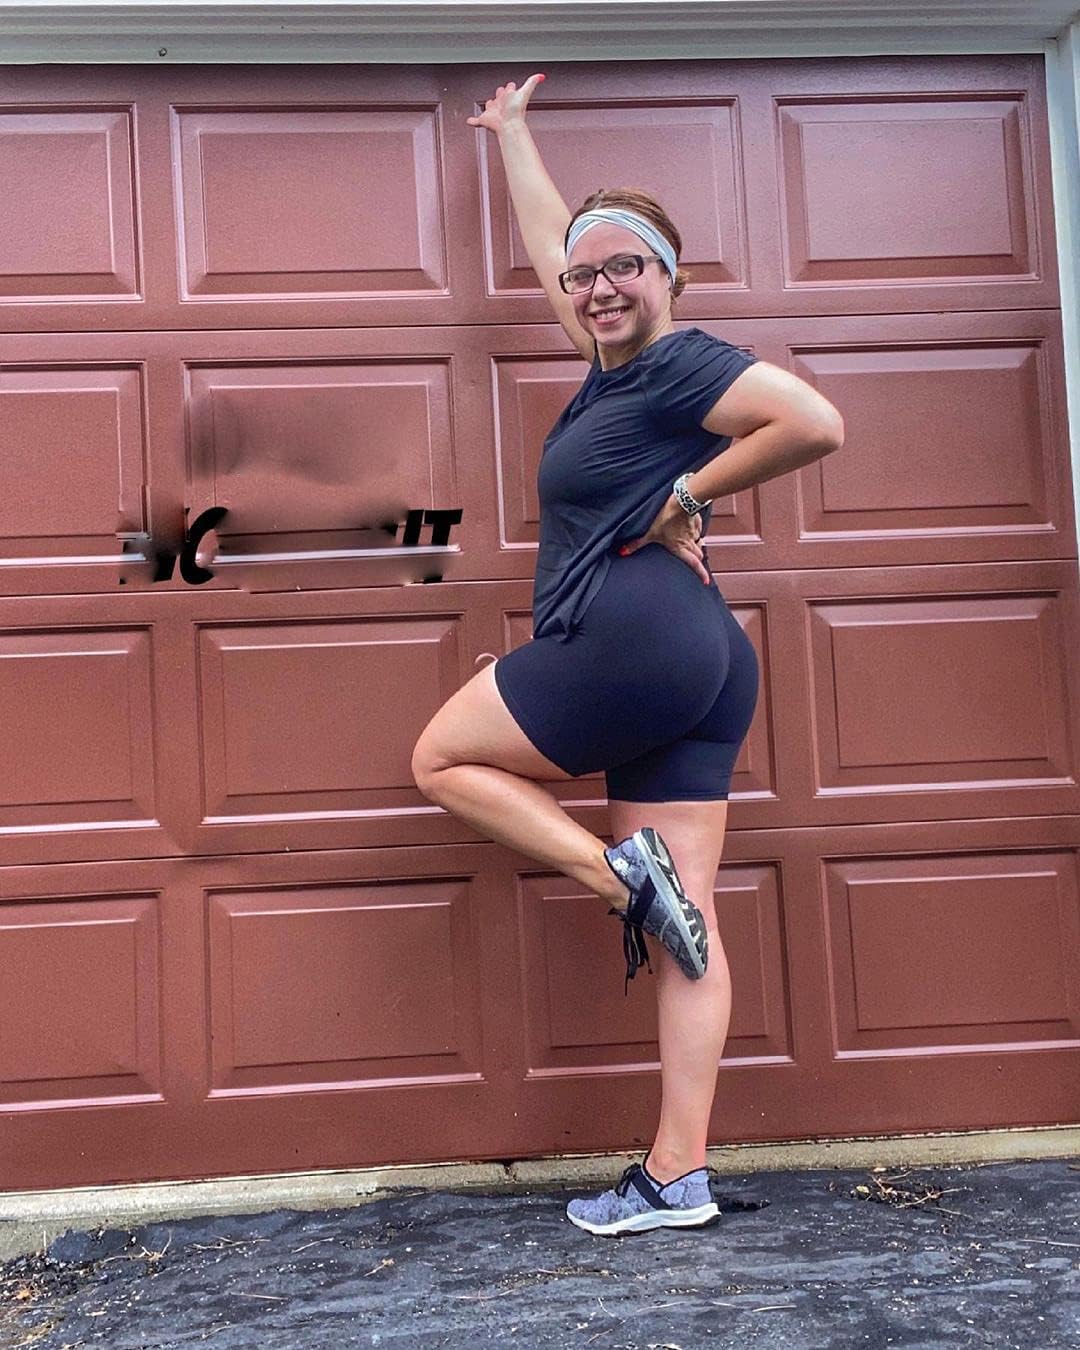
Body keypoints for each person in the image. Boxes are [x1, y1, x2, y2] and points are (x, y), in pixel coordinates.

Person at [411, 74, 844, 1237]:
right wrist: (514, 137)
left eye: (626, 268)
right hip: (704, 659)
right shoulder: (614, 362)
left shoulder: (678, 361)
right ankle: (675, 1176)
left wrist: (688, 496)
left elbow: (813, 421)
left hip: (632, 634)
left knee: (442, 759)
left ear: (670, 277)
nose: (599, 286)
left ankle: (619, 879)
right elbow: (555, 243)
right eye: (585, 275)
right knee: (687, 921)